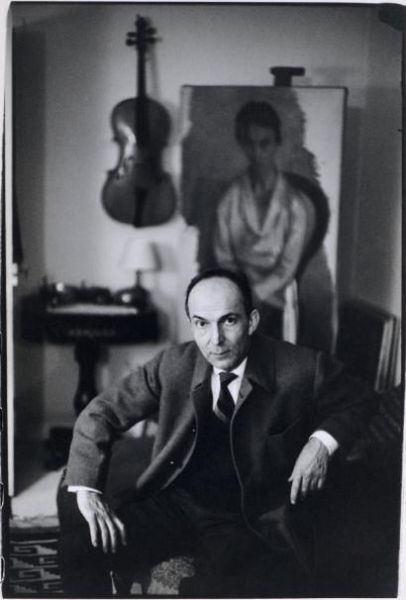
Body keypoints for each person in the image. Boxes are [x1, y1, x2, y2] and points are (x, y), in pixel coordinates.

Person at [58, 268, 370, 598]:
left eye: (229, 321)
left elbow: (361, 399)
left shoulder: (302, 368)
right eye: (202, 323)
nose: (215, 339)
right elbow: (101, 412)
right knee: (77, 550)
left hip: (246, 517)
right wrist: (87, 490)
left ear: (251, 321)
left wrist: (320, 444)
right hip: (176, 501)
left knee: (215, 589)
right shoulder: (174, 364)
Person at [213, 101, 328, 340]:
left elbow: (288, 266)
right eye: (249, 144)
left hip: (277, 299)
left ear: (277, 143)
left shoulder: (296, 205)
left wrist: (258, 293)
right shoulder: (230, 200)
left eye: (264, 143)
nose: (257, 153)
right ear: (241, 144)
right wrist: (242, 293)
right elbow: (224, 256)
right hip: (237, 295)